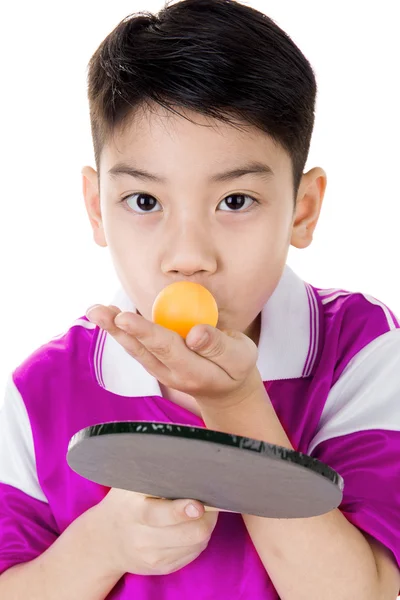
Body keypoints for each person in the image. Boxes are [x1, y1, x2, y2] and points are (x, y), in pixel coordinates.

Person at [0, 0, 399, 598]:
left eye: (235, 202)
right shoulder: (39, 392)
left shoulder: (362, 350)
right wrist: (100, 545)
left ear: (303, 209)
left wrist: (236, 403)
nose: (188, 255)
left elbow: (362, 591)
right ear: (95, 206)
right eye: (144, 202)